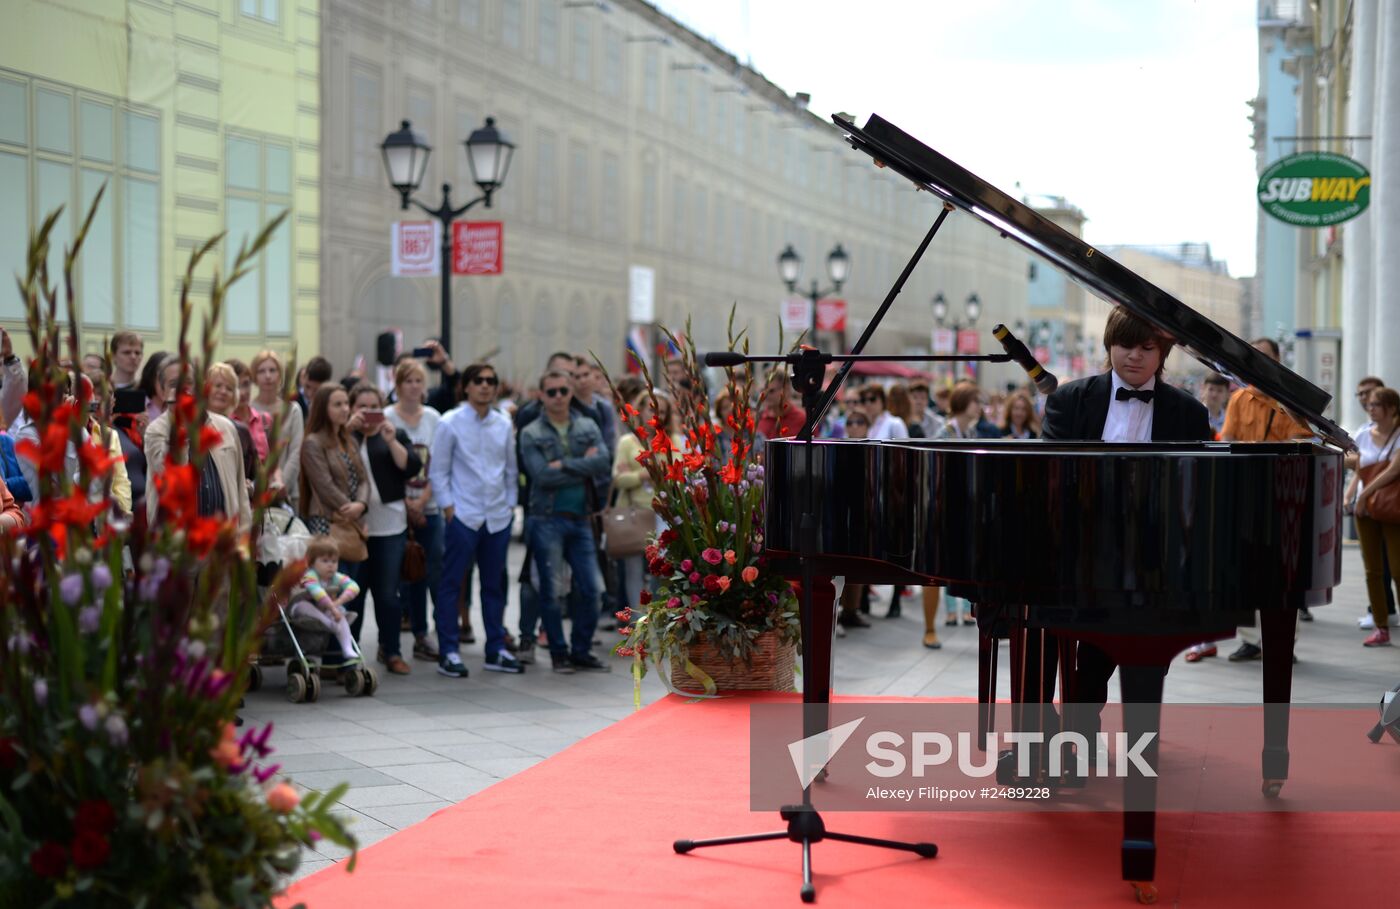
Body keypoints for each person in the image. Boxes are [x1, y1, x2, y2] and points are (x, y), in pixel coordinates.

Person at [1043, 306, 1211, 734]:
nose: (1134, 355)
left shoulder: (1188, 413)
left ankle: (1084, 719)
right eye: (1124, 345)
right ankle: (1058, 723)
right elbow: (1050, 476)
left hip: (1151, 551)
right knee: (1061, 626)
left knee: (1121, 635)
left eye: (1146, 347)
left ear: (1163, 353)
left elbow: (1193, 492)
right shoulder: (1069, 399)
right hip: (1075, 546)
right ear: (1109, 346)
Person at [1221, 338, 1314, 659]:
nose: (1258, 362)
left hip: (1282, 493)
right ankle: (1250, 638)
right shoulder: (1238, 399)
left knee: (1282, 570)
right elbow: (1228, 440)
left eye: (1265, 357)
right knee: (1243, 568)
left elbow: (1303, 442)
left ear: (1278, 361)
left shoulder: (1292, 399)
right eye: (1253, 357)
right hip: (1245, 491)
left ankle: (1284, 640)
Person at [519, 369, 612, 673]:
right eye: (551, 392)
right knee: (550, 590)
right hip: (546, 519)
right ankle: (559, 652)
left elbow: (602, 461)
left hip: (582, 518)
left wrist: (566, 464)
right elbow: (542, 475)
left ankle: (581, 649)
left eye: (563, 390)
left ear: (570, 392)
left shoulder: (586, 423)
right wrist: (583, 464)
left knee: (593, 589)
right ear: (541, 395)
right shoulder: (531, 432)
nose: (558, 396)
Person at [431, 363, 520, 676]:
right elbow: (438, 471)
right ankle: (449, 651)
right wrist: (448, 509)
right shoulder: (449, 422)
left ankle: (495, 648)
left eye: (491, 381)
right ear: (466, 386)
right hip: (463, 516)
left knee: (494, 585)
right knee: (451, 584)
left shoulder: (503, 423)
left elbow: (511, 469)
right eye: (479, 381)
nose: (485, 385)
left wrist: (510, 505)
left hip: (497, 516)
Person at [344, 384, 421, 676]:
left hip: (389, 526)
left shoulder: (394, 433)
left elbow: (411, 467)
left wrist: (390, 440)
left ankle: (392, 651)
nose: (367, 413)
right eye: (360, 407)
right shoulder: (344, 437)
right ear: (351, 408)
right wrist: (347, 433)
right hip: (355, 528)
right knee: (354, 594)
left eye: (373, 406)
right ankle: (349, 654)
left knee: (388, 595)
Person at [299, 384, 370, 670]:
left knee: (349, 588)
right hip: (327, 524)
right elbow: (323, 485)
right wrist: (350, 509)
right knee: (327, 586)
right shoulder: (313, 443)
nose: (345, 409)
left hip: (351, 523)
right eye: (337, 404)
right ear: (323, 409)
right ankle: (330, 654)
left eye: (346, 404)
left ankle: (344, 650)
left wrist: (361, 506)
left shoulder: (349, 440)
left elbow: (364, 479)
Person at [145, 359, 251, 535]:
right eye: (174, 384)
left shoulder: (226, 427)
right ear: (162, 392)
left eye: (188, 383)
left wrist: (245, 540)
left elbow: (241, 492)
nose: (182, 390)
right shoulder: (156, 431)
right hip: (182, 547)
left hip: (224, 542)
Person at [387, 358, 443, 663]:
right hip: (396, 509)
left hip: (429, 507)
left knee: (431, 570)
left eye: (418, 381)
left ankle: (426, 633)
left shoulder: (434, 418)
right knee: (401, 575)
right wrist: (406, 504)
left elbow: (440, 464)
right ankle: (395, 637)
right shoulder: (387, 418)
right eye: (407, 381)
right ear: (397, 386)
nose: (413, 387)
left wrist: (422, 503)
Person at [613, 390, 680, 617]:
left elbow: (680, 474)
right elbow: (619, 478)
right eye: (650, 408)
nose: (654, 414)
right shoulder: (627, 442)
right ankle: (636, 620)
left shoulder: (675, 440)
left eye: (660, 410)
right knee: (633, 570)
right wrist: (644, 475)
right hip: (635, 513)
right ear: (639, 410)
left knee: (663, 570)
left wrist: (647, 471)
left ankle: (661, 616)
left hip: (664, 514)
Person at [1346, 386, 1400, 647]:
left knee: (1398, 569)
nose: (1370, 407)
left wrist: (1364, 495)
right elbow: (1359, 468)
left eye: (1377, 404)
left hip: (1391, 507)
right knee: (1373, 571)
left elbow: (1392, 471)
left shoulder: (1398, 435)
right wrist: (1349, 495)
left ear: (1392, 408)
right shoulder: (1363, 434)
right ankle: (1381, 626)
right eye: (1369, 404)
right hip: (1364, 509)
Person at [292, 537, 363, 668]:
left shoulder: (335, 577)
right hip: (304, 611)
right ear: (312, 563)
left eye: (334, 561)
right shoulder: (309, 576)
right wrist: (333, 607)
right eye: (325, 561)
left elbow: (354, 587)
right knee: (303, 605)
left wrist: (338, 603)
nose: (330, 565)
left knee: (341, 616)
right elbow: (317, 592)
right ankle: (330, 625)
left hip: (326, 610)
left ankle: (347, 648)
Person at [249, 350, 304, 510]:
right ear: (254, 376)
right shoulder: (248, 410)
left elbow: (296, 452)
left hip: (287, 494)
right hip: (256, 495)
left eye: (272, 370)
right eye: (261, 371)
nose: (267, 376)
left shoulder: (293, 410)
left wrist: (281, 486)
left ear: (280, 375)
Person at [757, 369, 806, 440]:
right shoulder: (759, 418)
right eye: (762, 390)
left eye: (771, 391)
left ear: (786, 390)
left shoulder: (802, 420)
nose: (765, 395)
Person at [1200, 372, 1230, 438]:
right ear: (1203, 389)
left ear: (1227, 394)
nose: (1214, 395)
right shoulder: (1195, 416)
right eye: (1211, 389)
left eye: (1220, 391)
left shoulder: (1230, 420)